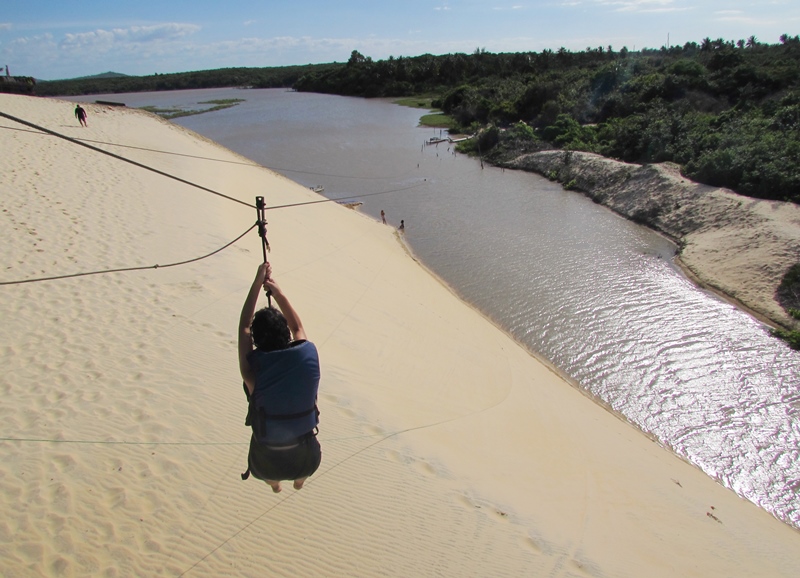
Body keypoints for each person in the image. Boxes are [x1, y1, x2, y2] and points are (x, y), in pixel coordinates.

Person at [238, 262, 322, 493]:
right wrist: (278, 293)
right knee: (302, 472)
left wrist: (257, 282)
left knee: (268, 477)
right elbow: (298, 327)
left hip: (267, 462)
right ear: (286, 335)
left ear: (257, 341)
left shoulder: (252, 372)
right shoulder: (307, 354)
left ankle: (275, 486)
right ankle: (299, 482)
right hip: (306, 458)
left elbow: (244, 327)